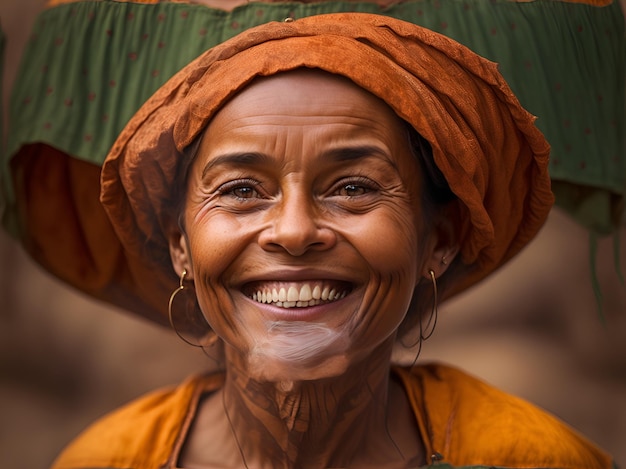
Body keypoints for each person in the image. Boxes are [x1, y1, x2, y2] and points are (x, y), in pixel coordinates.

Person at [47, 13, 616, 469]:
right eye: (242, 189)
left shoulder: (529, 458)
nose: (294, 232)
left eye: (352, 187)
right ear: (181, 246)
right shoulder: (108, 459)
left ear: (439, 238)